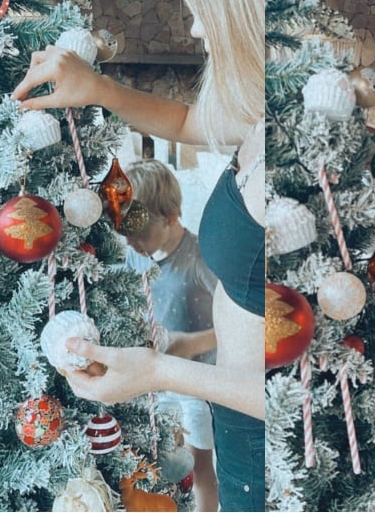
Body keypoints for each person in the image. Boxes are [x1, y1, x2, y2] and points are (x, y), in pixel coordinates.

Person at [12, 0, 266, 509]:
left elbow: (290, 392)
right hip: (235, 424)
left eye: (206, 9)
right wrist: (95, 87)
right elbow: (183, 122)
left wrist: (157, 371)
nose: (199, 30)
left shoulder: (295, 156)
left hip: (261, 439)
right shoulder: (256, 122)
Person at [122, 158, 219, 512]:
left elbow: (240, 325)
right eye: (125, 231)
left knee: (199, 470)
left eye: (140, 231)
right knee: (158, 466)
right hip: (154, 383)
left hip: (196, 387)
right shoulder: (135, 259)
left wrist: (192, 343)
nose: (130, 241)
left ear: (171, 217)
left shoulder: (201, 258)